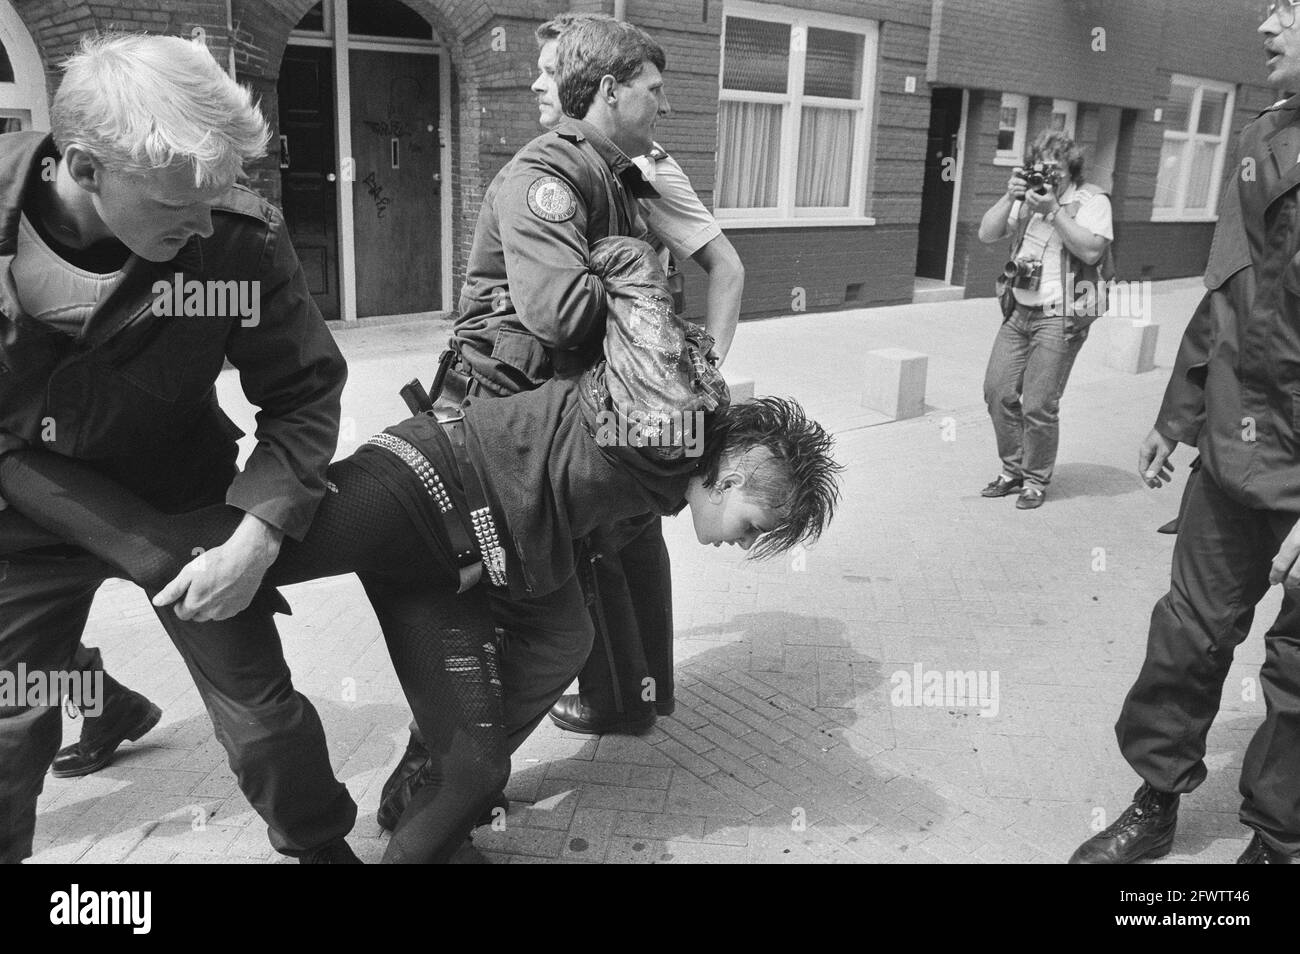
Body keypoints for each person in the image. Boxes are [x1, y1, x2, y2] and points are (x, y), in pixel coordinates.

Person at [0, 235, 841, 863]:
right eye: (756, 527)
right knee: (205, 550)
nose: (745, 545)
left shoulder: (663, 475)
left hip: (446, 568)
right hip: (417, 486)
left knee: (474, 770)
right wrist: (591, 292)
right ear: (731, 476)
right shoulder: (674, 424)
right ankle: (39, 494)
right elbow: (628, 260)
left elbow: (561, 518)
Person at [0, 34, 358, 863]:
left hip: (180, 493)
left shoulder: (234, 236)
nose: (204, 223)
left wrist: (259, 532)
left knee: (267, 727)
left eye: (216, 195)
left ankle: (323, 848)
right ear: (84, 169)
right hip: (27, 508)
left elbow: (303, 390)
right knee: (10, 724)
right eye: (175, 207)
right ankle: (95, 710)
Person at [375, 14, 695, 829]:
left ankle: (454, 784)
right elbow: (560, 314)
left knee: (552, 633)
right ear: (613, 91)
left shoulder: (617, 176)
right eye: (653, 91)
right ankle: (433, 787)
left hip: (547, 442)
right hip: (493, 443)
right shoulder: (543, 178)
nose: (664, 105)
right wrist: (640, 280)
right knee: (519, 630)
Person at [1068, 3, 1300, 866]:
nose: (1265, 24)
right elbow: (1227, 290)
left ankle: (1275, 844)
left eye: (1288, 5)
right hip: (1241, 445)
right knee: (1189, 629)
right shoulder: (1264, 134)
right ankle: (1157, 797)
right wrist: (1179, 413)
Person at [530, 13, 744, 738]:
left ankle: (620, 698)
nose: (541, 81)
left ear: (596, 82)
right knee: (628, 539)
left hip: (623, 394)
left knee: (611, 544)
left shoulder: (643, 165)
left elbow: (726, 266)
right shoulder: (576, 161)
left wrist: (702, 374)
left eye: (551, 65)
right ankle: (638, 693)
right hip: (622, 391)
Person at [977, 129, 1113, 510]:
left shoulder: (1091, 201)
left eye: (1055, 168)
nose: (1047, 176)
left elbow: (1090, 251)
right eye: (1040, 167)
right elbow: (987, 233)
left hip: (1059, 316)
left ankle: (1035, 480)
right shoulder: (1025, 199)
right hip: (1018, 310)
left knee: (1039, 404)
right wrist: (1010, 196)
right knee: (997, 391)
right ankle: (1013, 469)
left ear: (1071, 168)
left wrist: (1053, 212)